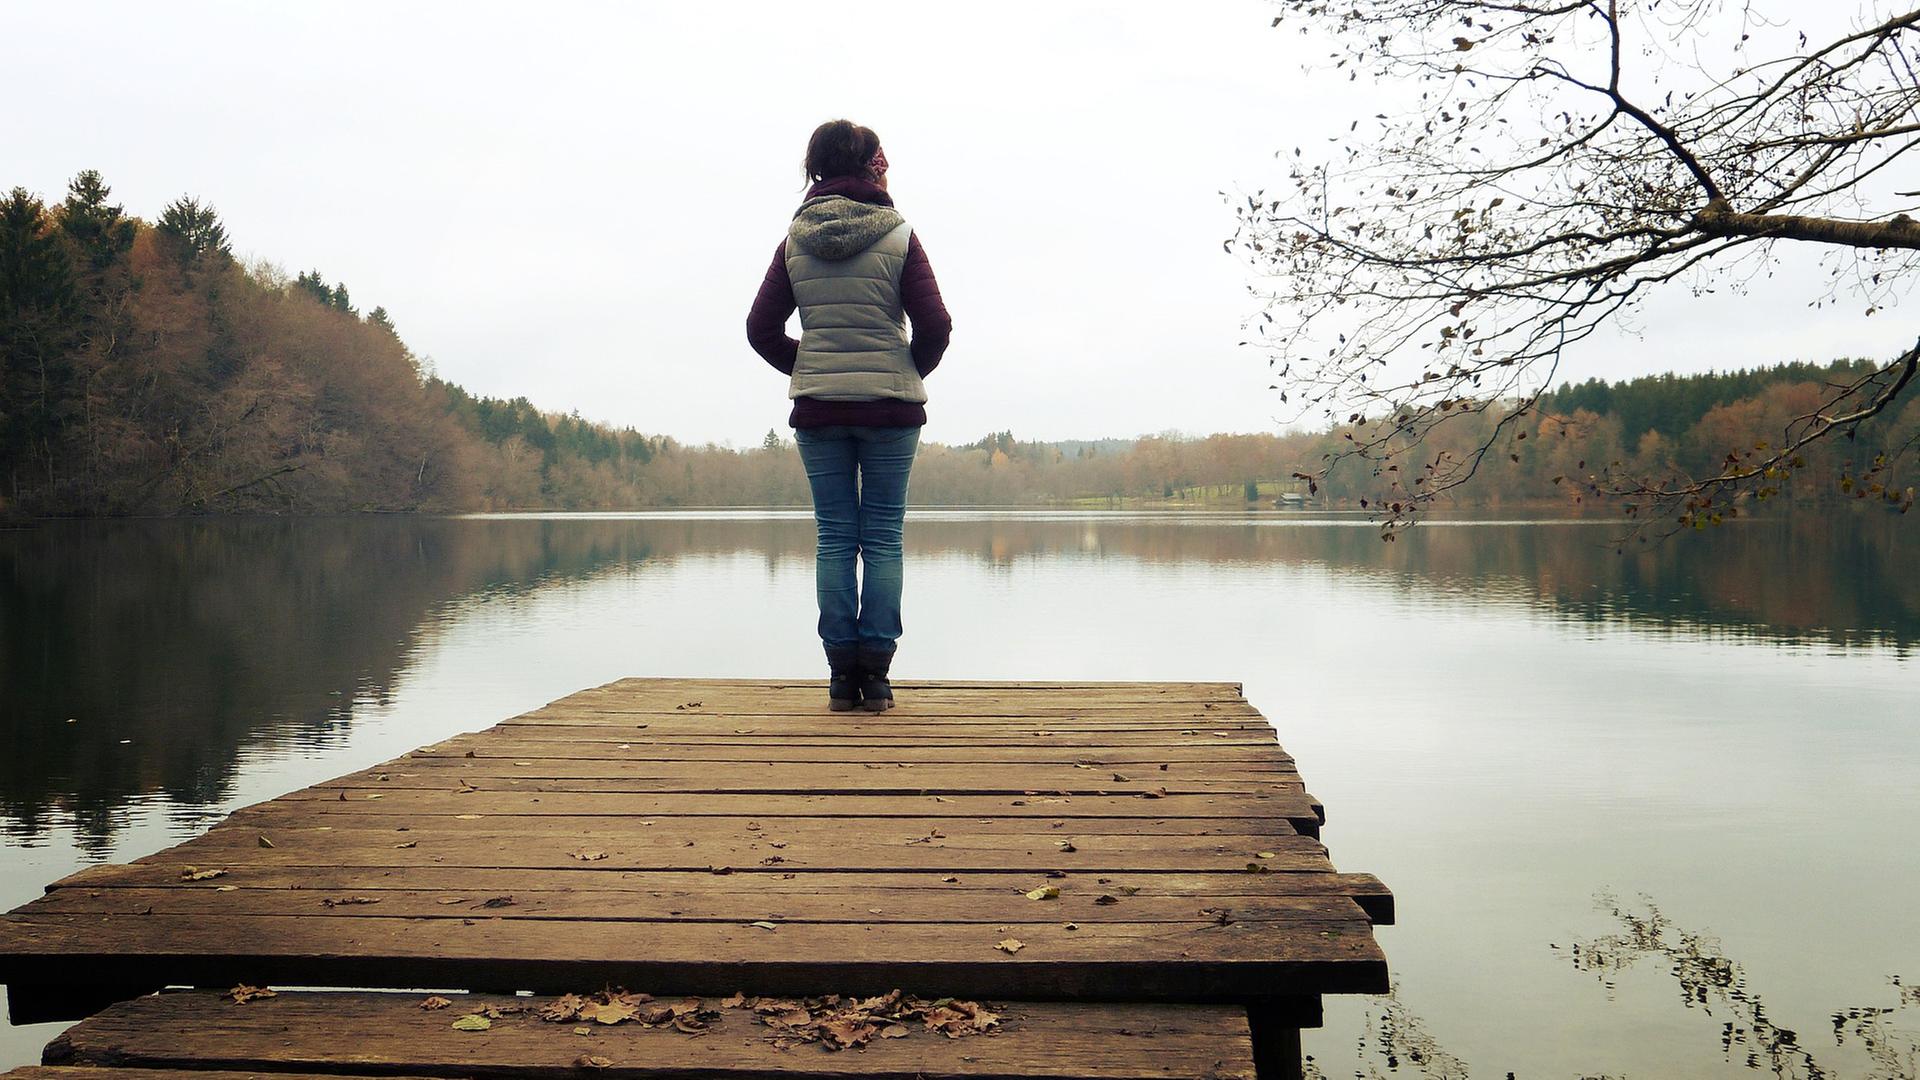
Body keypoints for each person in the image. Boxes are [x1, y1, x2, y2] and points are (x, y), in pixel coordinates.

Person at [746, 120, 952, 712]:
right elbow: (936, 326)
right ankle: (878, 678)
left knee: (836, 537)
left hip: (819, 411)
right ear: (870, 168)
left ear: (815, 168)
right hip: (892, 411)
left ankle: (841, 680)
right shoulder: (900, 235)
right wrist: (902, 373)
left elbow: (760, 330)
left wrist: (810, 368)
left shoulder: (794, 241)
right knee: (883, 537)